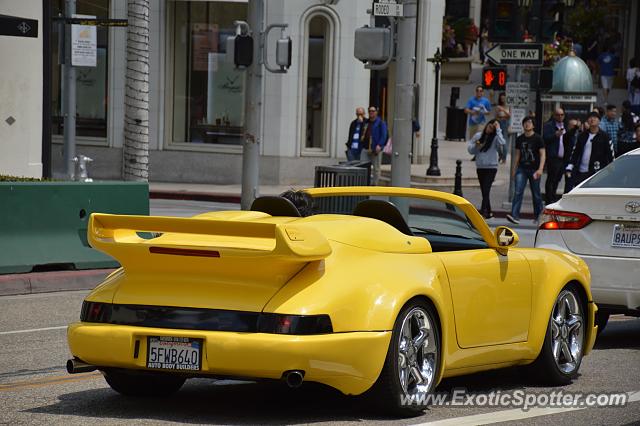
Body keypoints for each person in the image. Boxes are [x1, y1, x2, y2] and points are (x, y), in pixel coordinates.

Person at [506, 116, 546, 225]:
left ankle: (539, 216)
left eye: (529, 122)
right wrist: (514, 170)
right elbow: (517, 155)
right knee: (518, 191)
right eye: (525, 122)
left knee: (536, 193)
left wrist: (540, 169)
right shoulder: (520, 139)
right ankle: (515, 216)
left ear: (533, 125)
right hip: (522, 169)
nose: (527, 124)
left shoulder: (538, 138)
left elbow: (543, 154)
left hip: (535, 169)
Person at [467, 119, 506, 219]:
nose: (490, 129)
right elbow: (471, 151)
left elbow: (502, 142)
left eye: (492, 128)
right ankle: (489, 212)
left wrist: (498, 129)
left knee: (486, 189)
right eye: (489, 126)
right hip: (480, 167)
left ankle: (482, 213)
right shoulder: (478, 136)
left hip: (491, 167)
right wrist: (476, 145)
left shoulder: (496, 138)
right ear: (487, 125)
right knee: (484, 191)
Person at [565, 111, 615, 187]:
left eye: (595, 118)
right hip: (581, 171)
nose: (592, 119)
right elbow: (575, 152)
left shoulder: (605, 137)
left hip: (597, 171)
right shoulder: (582, 136)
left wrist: (611, 168)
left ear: (599, 121)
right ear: (587, 121)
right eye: (590, 118)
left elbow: (610, 154)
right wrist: (570, 166)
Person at [542, 107, 569, 204]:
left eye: (562, 115)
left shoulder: (566, 126)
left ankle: (553, 196)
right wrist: (555, 135)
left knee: (558, 178)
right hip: (553, 157)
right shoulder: (549, 126)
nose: (560, 117)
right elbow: (545, 139)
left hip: (563, 157)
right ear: (554, 115)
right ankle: (549, 199)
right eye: (558, 115)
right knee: (551, 179)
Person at [361, 106, 388, 185]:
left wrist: (380, 145)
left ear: (376, 112)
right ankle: (364, 183)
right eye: (370, 111)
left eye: (373, 111)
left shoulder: (381, 123)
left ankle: (375, 184)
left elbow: (384, 135)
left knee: (376, 168)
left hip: (376, 149)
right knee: (363, 166)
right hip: (366, 148)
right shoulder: (366, 122)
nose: (371, 112)